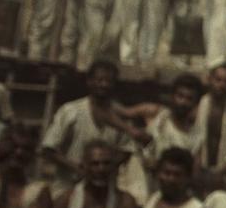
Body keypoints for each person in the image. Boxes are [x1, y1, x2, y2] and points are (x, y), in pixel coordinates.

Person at [41, 60, 150, 200]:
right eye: (99, 80)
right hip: (68, 187)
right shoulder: (70, 111)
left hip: (103, 192)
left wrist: (104, 169)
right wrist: (77, 168)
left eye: (109, 81)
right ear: (89, 81)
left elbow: (127, 149)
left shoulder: (121, 115)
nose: (104, 85)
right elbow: (48, 149)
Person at [123, 73, 205, 174]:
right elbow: (121, 112)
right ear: (172, 96)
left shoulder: (196, 134)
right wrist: (131, 130)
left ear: (196, 103)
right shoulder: (157, 114)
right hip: (139, 175)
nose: (183, 102)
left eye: (189, 98)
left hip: (169, 180)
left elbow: (195, 170)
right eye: (180, 96)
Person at [195, 63, 226, 175]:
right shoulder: (197, 106)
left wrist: (224, 168)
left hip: (223, 171)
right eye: (218, 80)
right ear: (210, 80)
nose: (222, 85)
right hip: (197, 168)